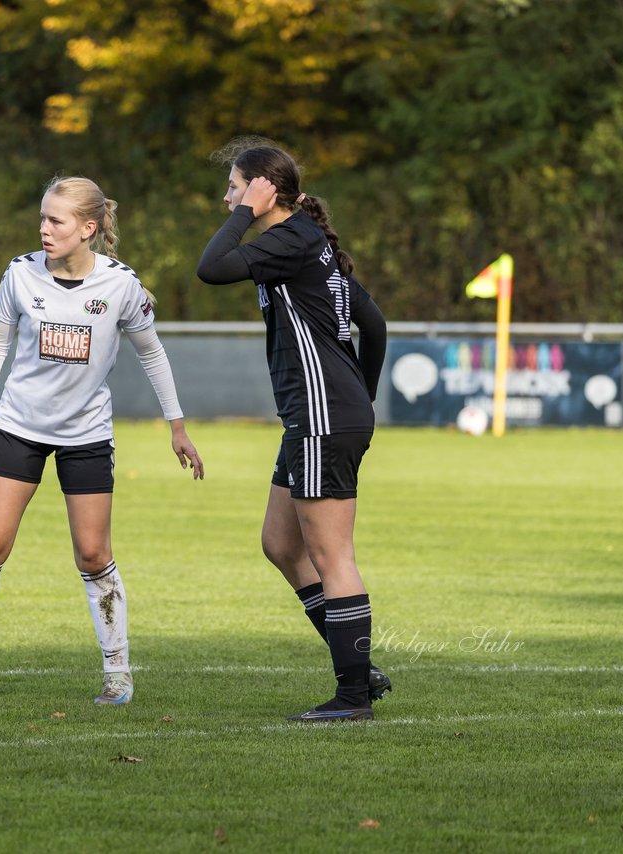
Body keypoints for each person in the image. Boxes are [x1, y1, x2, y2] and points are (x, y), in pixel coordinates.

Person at [0, 175, 205, 707]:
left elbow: (152, 352)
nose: (44, 229)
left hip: (86, 435)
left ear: (88, 228)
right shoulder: (20, 274)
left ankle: (118, 673)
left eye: (55, 220)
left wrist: (177, 425)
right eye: (42, 218)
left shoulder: (121, 285)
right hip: (18, 427)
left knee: (93, 553)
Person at [196, 140, 389, 722]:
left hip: (322, 416)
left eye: (234, 186)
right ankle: (358, 667)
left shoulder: (287, 239)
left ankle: (353, 696)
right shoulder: (306, 243)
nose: (227, 197)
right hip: (324, 414)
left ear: (264, 189)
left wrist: (244, 213)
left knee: (332, 554)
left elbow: (211, 268)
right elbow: (372, 323)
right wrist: (363, 396)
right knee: (281, 545)